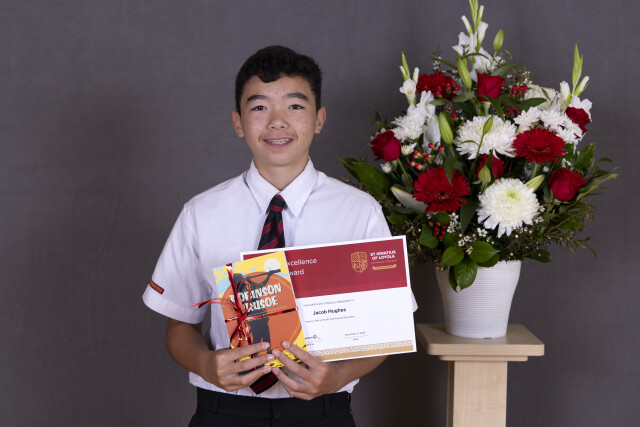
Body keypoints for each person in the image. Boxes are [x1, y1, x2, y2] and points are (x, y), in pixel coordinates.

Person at [143, 45, 395, 426]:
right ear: (238, 122)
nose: (277, 122)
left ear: (319, 119)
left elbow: (386, 329)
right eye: (259, 107)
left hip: (321, 411)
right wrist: (207, 365)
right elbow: (179, 324)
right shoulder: (201, 213)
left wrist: (337, 376)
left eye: (295, 106)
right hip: (224, 411)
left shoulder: (359, 213)